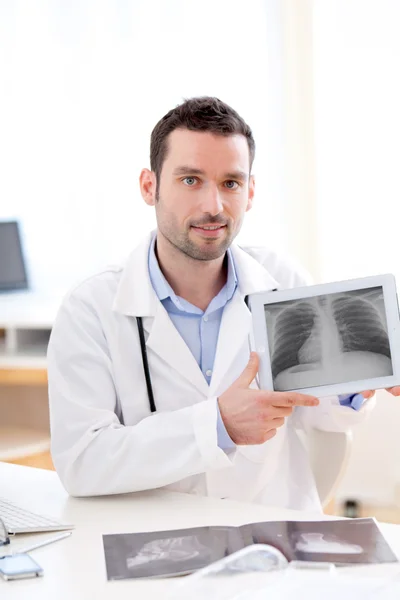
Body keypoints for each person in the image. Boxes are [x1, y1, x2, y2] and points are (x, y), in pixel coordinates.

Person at [47, 97, 399, 511]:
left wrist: (351, 385)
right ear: (149, 186)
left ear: (249, 191)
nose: (213, 206)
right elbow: (82, 462)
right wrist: (218, 425)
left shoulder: (279, 281)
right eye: (191, 180)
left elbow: (320, 418)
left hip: (276, 537)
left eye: (230, 182)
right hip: (154, 541)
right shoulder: (91, 308)